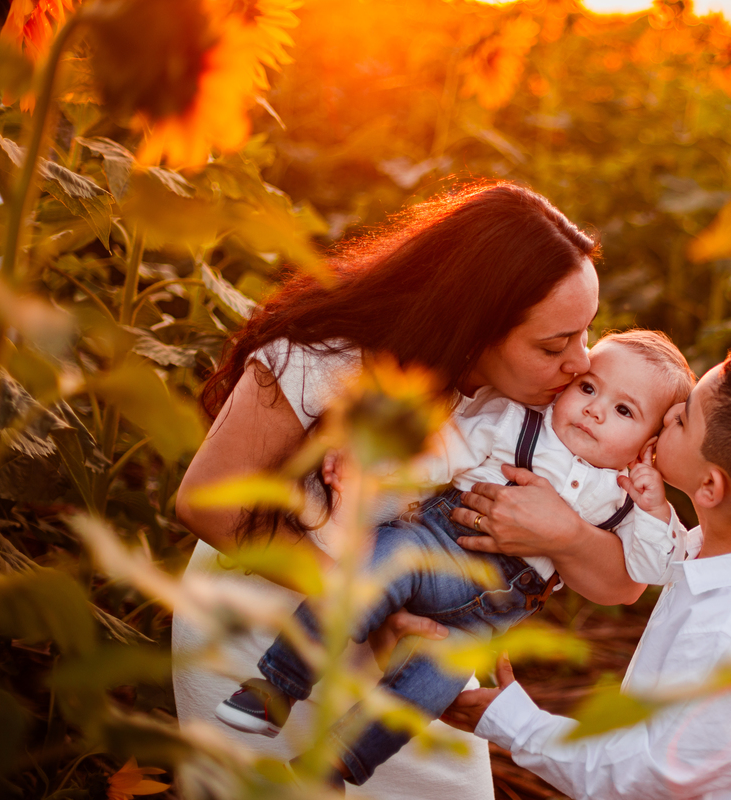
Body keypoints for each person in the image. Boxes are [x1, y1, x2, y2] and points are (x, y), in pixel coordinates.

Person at [172, 183, 648, 800]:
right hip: (260, 636)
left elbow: (621, 583)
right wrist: (375, 599)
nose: (581, 364)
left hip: (408, 667)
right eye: (555, 344)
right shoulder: (323, 358)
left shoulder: (538, 407)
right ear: (475, 327)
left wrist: (567, 533)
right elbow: (208, 500)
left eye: (586, 333)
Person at [213, 330, 695, 786]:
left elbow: (647, 570)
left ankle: (336, 762)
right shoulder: (516, 422)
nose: (593, 410)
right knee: (366, 579)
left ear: (648, 447)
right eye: (588, 387)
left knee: (426, 691)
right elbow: (442, 452)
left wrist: (652, 507)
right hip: (428, 548)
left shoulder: (631, 498)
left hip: (480, 621)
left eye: (624, 411)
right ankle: (275, 686)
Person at [443, 342, 731, 800]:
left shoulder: (727, 636)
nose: (669, 412)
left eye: (683, 417)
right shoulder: (719, 557)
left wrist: (512, 721)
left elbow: (641, 779)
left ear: (711, 486)